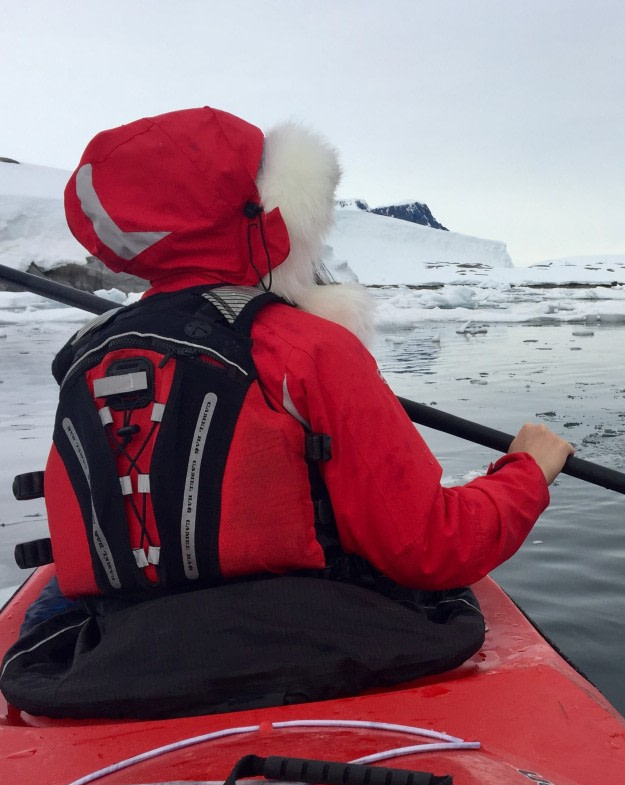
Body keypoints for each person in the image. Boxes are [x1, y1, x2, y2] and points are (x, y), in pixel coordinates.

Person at [1, 107, 575, 718]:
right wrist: (526, 473)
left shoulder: (87, 355)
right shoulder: (310, 349)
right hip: (307, 645)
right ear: (272, 212)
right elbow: (432, 548)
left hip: (108, 658)